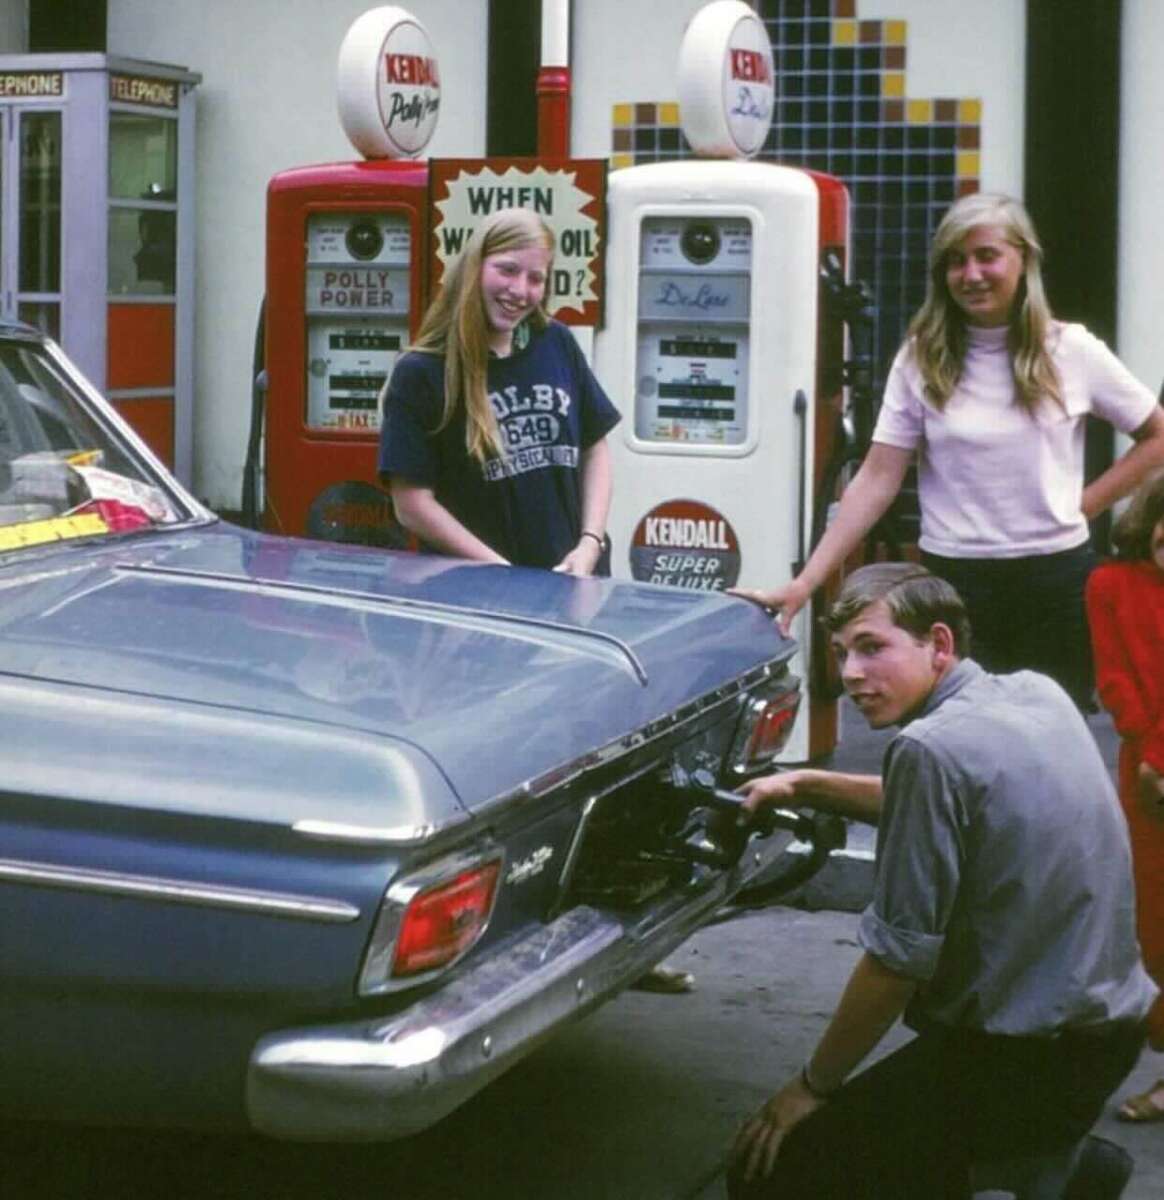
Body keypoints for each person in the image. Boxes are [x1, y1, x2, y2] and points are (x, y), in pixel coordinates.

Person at [728, 563, 1156, 1199]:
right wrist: (805, 782)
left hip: (1023, 1063)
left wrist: (811, 1087)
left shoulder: (928, 749)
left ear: (939, 644)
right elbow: (959, 797)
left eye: (873, 648)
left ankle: (1059, 1171)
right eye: (842, 653)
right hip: (1111, 1040)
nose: (850, 675)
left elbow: (896, 962)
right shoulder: (1035, 693)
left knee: (772, 1171)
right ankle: (1044, 1163)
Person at [737, 193, 1164, 708]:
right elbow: (876, 478)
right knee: (956, 745)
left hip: (1056, 584)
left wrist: (1085, 504)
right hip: (952, 586)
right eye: (956, 261)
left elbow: (1156, 435)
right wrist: (805, 582)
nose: (971, 273)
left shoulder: (1071, 350)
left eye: (987, 255)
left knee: (1044, 749)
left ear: (1023, 260)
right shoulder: (920, 359)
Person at [379, 206, 619, 576]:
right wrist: (500, 571)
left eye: (536, 278)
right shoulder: (421, 372)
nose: (520, 290)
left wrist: (590, 543)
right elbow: (410, 504)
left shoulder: (556, 342)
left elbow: (594, 447)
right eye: (507, 270)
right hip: (479, 598)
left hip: (571, 584)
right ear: (475, 266)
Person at [1087, 470, 1164, 1121]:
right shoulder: (1109, 583)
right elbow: (1112, 676)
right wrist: (1147, 752)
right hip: (1143, 769)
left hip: (1151, 762)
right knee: (1154, 922)